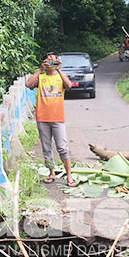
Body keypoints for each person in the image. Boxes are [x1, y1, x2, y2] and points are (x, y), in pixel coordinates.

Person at [25, 52, 76, 186]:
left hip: (58, 118)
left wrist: (59, 69)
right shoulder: (41, 78)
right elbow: (28, 84)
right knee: (46, 148)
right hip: (42, 118)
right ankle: (51, 173)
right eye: (47, 60)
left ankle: (69, 175)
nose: (49, 62)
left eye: (52, 60)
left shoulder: (60, 77)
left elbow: (69, 85)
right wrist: (40, 69)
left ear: (57, 62)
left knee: (62, 147)